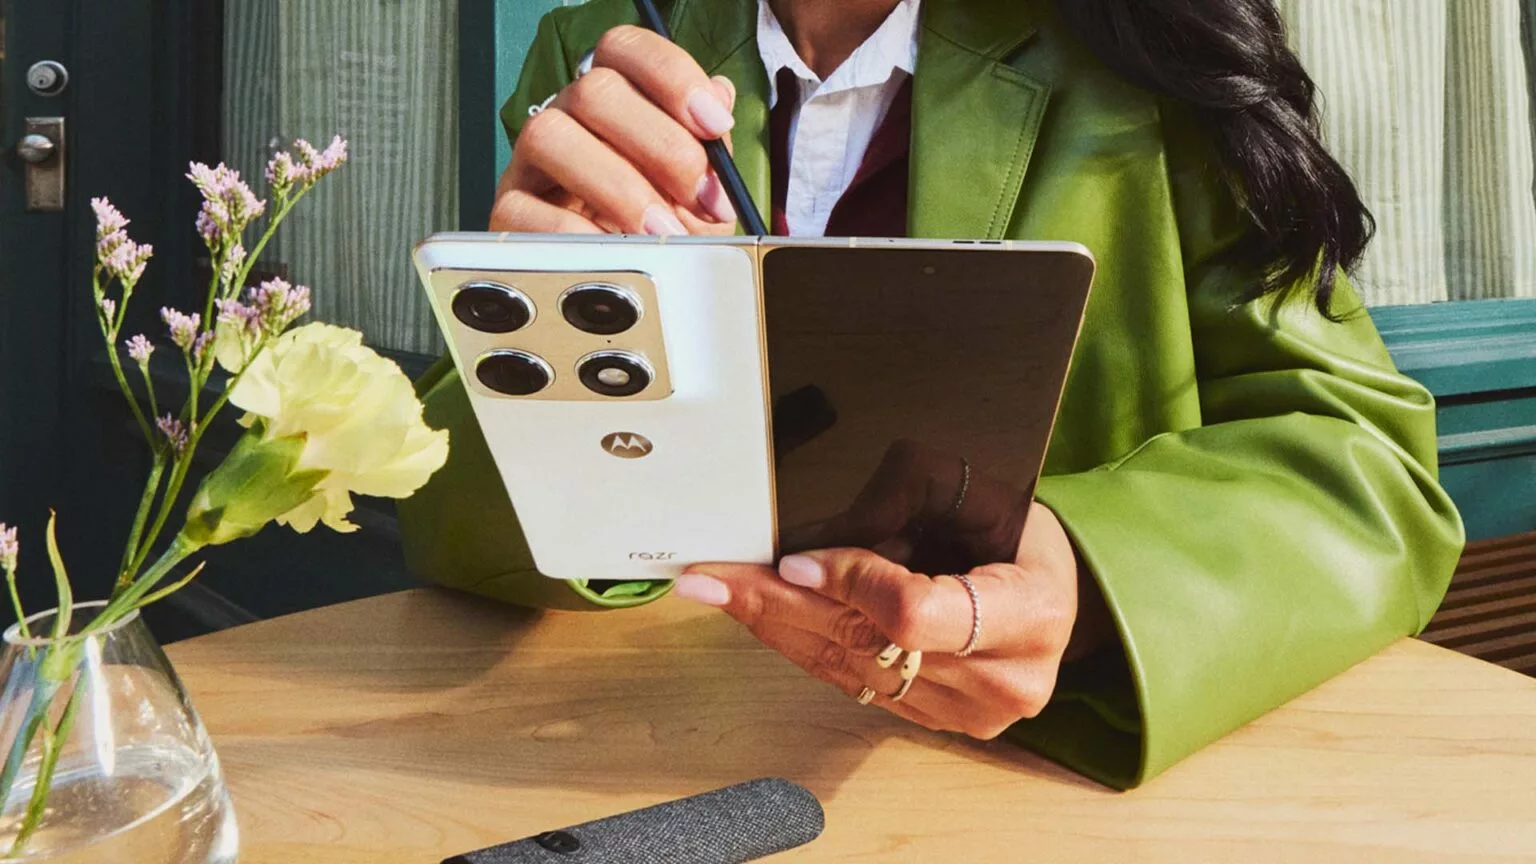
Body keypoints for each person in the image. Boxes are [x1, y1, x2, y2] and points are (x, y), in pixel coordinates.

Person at [398, 0, 1464, 789]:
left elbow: (1369, 469)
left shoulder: (1149, 47)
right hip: (651, 757)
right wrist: (556, 347)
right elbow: (449, 510)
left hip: (1028, 786)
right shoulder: (603, 45)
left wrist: (1092, 582)